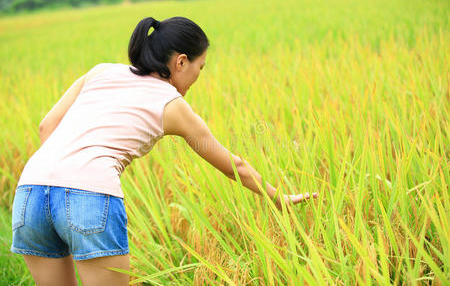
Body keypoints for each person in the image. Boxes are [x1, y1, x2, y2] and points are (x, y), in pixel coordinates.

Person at [10, 16, 318, 285]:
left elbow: (46, 127)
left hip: (30, 192)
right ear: (181, 62)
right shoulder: (171, 105)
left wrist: (61, 174)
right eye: (201, 67)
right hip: (89, 194)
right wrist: (280, 198)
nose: (199, 76)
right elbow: (232, 165)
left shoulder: (100, 72)